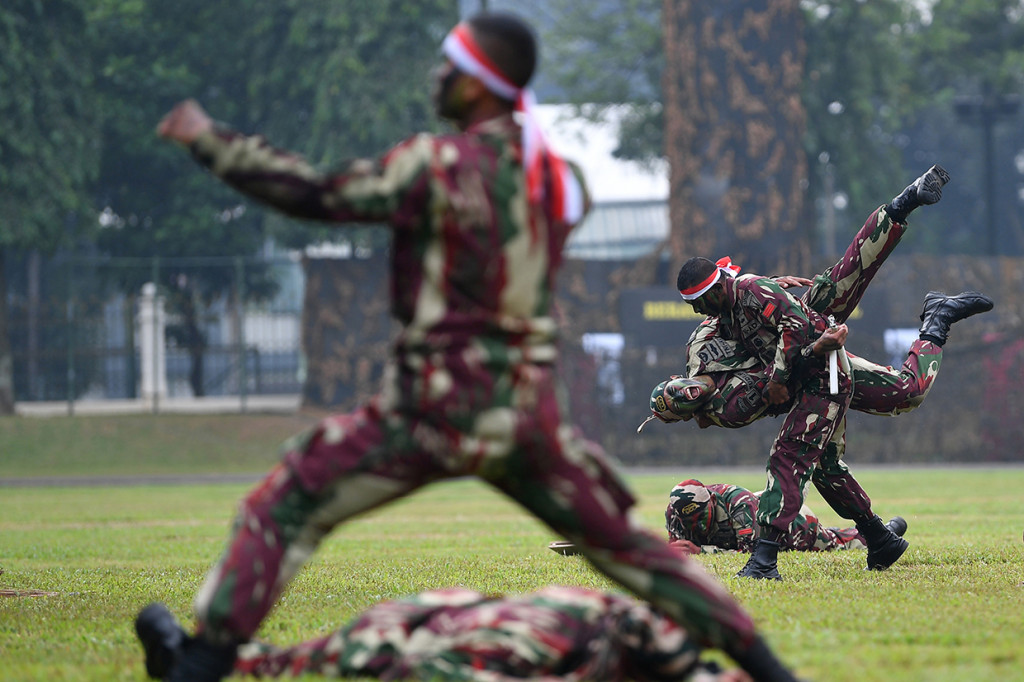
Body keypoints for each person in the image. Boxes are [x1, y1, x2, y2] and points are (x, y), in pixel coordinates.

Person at [136, 12, 801, 682]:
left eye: (449, 68)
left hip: (432, 405)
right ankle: (767, 667)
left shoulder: (435, 164)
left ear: (479, 84)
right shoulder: (561, 180)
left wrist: (209, 141)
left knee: (285, 505)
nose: (438, 78)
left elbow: (319, 194)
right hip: (526, 413)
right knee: (624, 546)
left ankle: (202, 663)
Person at [669, 167, 992, 581]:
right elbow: (711, 385)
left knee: (792, 453)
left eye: (697, 302)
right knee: (890, 407)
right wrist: (702, 400)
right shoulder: (714, 333)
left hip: (822, 364)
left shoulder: (750, 293)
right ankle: (878, 538)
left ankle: (905, 202)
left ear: (712, 290)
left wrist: (781, 376)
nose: (696, 312)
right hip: (812, 361)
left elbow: (792, 326)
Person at [138, 586, 753, 682]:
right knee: (318, 659)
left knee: (312, 659)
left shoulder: (623, 621)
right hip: (470, 632)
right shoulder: (642, 637)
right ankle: (190, 658)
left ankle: (188, 657)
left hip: (453, 615)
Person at [664, 479, 907, 555]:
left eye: (700, 516)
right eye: (688, 520)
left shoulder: (738, 502)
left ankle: (884, 532)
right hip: (757, 524)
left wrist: (700, 553)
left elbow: (751, 554)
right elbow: (676, 549)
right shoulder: (675, 512)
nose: (695, 524)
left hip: (792, 525)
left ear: (712, 502)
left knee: (836, 543)